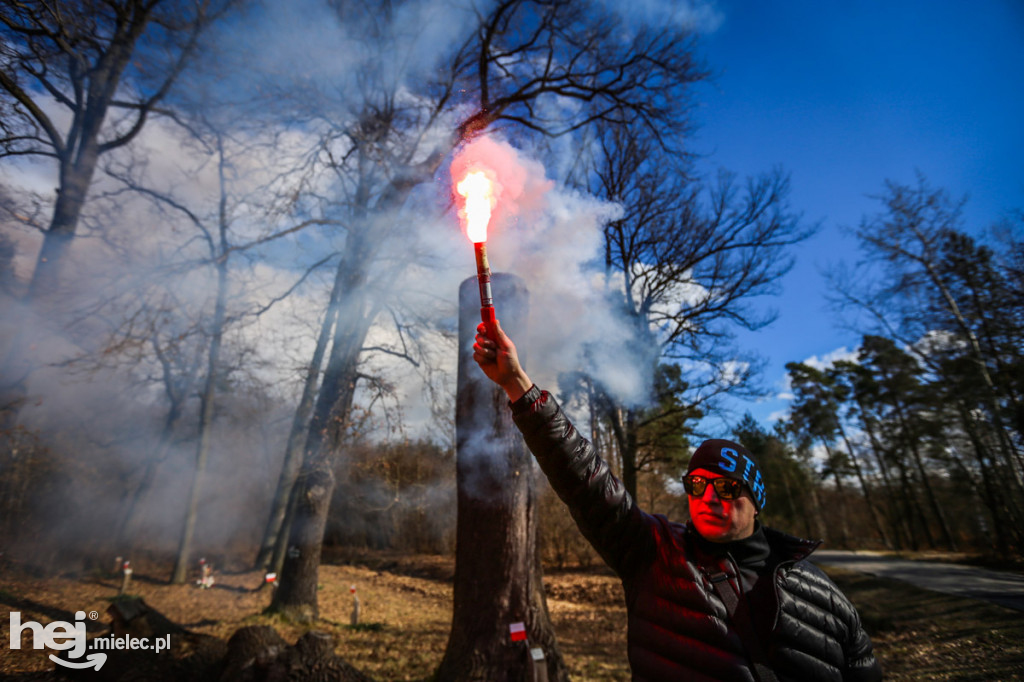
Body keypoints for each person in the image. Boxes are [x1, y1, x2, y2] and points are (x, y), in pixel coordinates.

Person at [473, 320, 882, 682]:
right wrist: (517, 384)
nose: (709, 497)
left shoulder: (826, 597)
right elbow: (586, 480)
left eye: (726, 488)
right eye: (697, 484)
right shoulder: (653, 553)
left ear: (756, 501)